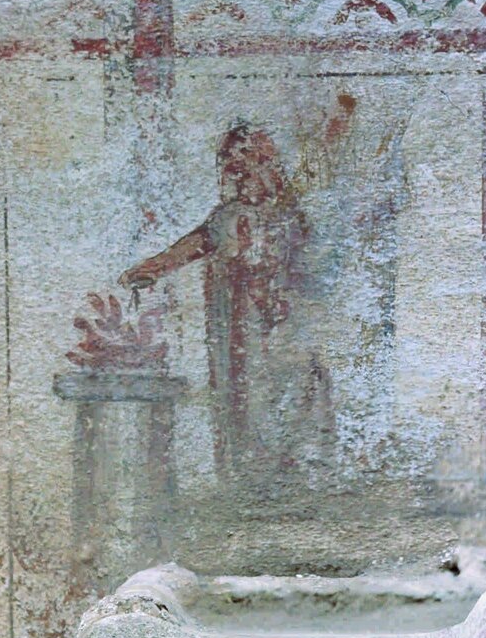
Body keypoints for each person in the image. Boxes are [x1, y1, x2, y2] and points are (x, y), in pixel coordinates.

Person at [124, 113, 347, 499]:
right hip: (244, 331)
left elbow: (311, 262)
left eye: (264, 161)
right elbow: (194, 246)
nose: (256, 172)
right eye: (245, 164)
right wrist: (153, 268)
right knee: (251, 401)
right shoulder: (228, 217)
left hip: (286, 323)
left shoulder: (288, 212)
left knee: (304, 389)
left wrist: (289, 291)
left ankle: (306, 479)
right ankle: (255, 483)